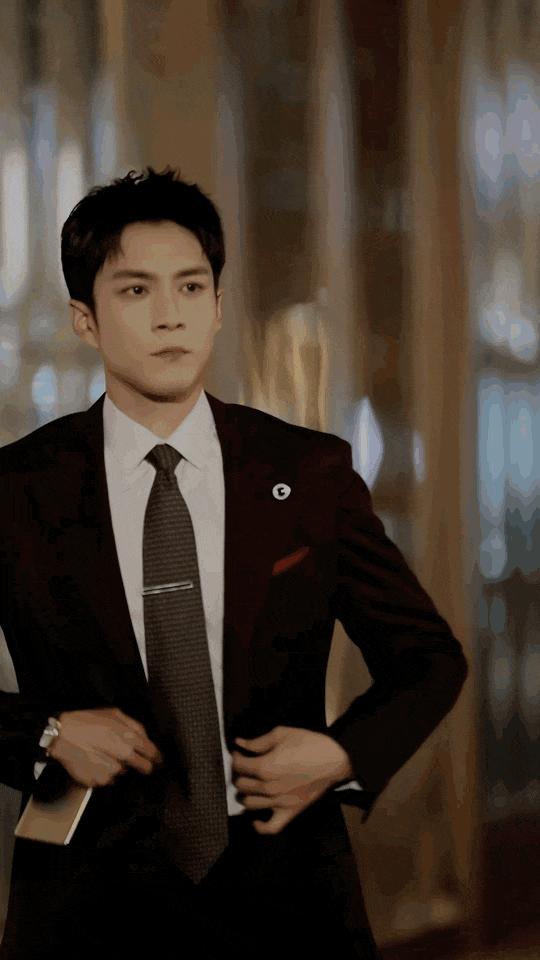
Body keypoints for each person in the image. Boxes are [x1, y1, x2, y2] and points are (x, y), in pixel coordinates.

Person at [0, 168, 467, 960]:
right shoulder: (16, 488)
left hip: (289, 893)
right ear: (85, 319)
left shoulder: (308, 472)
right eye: (136, 291)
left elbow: (429, 658)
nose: (170, 315)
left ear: (218, 306)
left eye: (191, 287)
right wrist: (44, 733)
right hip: (88, 903)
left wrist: (340, 754)